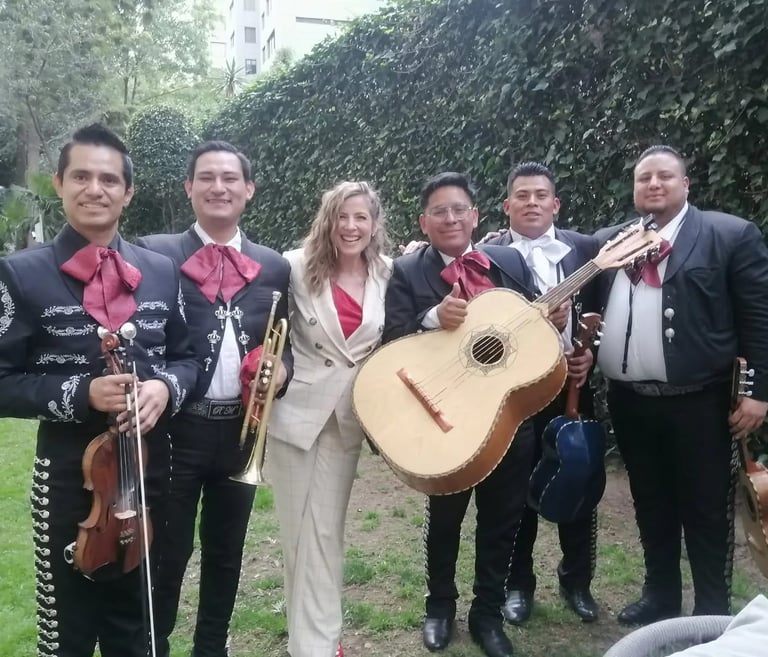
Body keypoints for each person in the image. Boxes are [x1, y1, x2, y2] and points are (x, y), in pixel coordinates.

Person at [0, 124, 200, 657]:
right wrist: (80, 392)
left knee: (139, 629)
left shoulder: (160, 271)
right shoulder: (21, 275)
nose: (96, 189)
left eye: (109, 179)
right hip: (70, 479)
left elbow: (188, 358)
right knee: (65, 635)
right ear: (59, 182)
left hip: (151, 472)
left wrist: (164, 387)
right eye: (82, 176)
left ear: (127, 192)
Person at [383, 172, 571, 657]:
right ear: (425, 222)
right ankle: (439, 608)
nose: (451, 218)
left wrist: (555, 322)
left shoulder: (507, 262)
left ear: (476, 216)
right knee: (445, 517)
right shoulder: (407, 272)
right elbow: (390, 342)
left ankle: (487, 614)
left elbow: (530, 332)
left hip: (509, 416)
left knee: (502, 520)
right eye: (439, 211)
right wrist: (430, 319)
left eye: (459, 209)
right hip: (446, 416)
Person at [596, 145, 768, 625]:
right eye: (643, 178)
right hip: (630, 402)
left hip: (701, 403)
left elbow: (759, 318)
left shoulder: (729, 234)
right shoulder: (609, 243)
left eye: (664, 177)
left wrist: (759, 392)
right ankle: (661, 598)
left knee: (706, 510)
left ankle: (712, 611)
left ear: (685, 184)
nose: (653, 184)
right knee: (650, 502)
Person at [137, 140, 293, 657]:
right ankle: (155, 646)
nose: (218, 187)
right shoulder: (156, 253)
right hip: (177, 429)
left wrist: (280, 373)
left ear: (248, 190)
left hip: (242, 432)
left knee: (227, 552)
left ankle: (212, 648)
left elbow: (283, 344)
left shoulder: (273, 265)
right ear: (189, 188)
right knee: (168, 551)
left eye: (230, 178)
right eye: (207, 177)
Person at [265, 181, 391, 657]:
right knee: (297, 534)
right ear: (328, 220)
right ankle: (315, 645)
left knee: (326, 531)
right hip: (296, 414)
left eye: (361, 217)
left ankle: (316, 641)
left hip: (347, 417)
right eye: (343, 216)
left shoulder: (387, 273)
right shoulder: (294, 266)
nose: (352, 226)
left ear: (375, 224)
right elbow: (267, 326)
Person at [484, 162, 601, 624]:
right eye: (522, 195)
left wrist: (591, 354)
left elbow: (600, 313)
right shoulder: (487, 255)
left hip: (572, 385)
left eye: (541, 195)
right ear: (506, 205)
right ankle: (518, 585)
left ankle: (578, 582)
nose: (532, 202)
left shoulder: (586, 249)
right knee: (516, 492)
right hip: (515, 393)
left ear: (556, 204)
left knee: (580, 483)